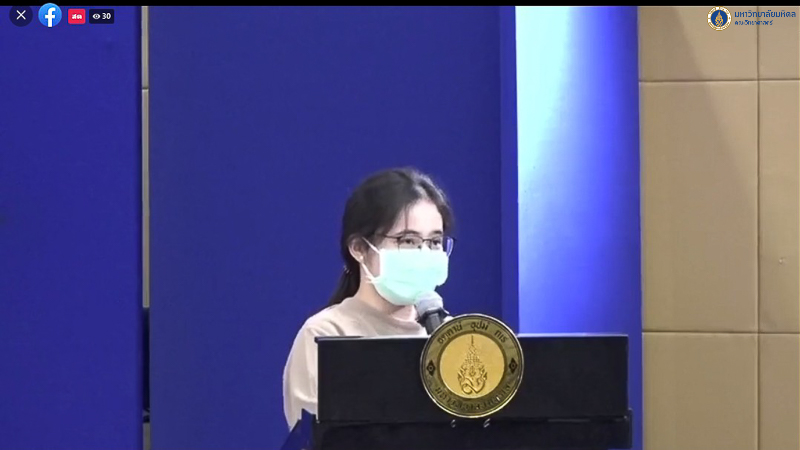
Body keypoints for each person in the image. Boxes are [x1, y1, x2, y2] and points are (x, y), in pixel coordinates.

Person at [282, 167, 456, 429]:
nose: (424, 254)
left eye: (434, 242)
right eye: (407, 241)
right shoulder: (325, 335)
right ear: (359, 248)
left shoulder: (452, 337)